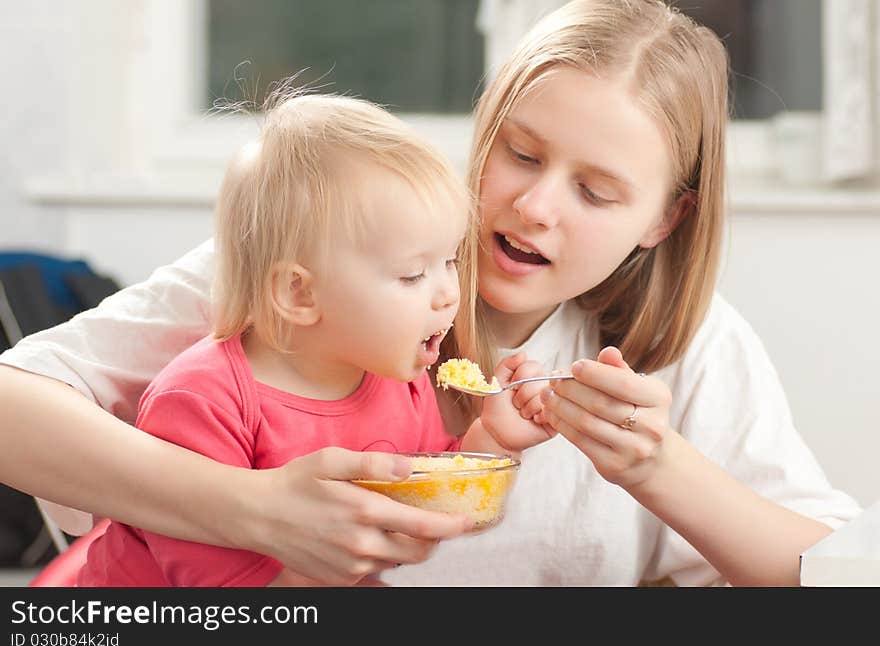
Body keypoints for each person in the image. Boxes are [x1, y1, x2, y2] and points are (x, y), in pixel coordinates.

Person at [0, 0, 861, 587]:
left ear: (664, 220)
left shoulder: (695, 347)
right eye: (521, 153)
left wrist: (655, 462)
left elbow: (836, 574)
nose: (535, 205)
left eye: (596, 192)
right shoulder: (310, 272)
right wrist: (255, 510)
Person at [74, 92, 549, 586]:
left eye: (450, 261)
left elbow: (431, 496)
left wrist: (494, 440)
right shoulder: (201, 402)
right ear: (299, 292)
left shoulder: (390, 378)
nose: (448, 293)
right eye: (412, 275)